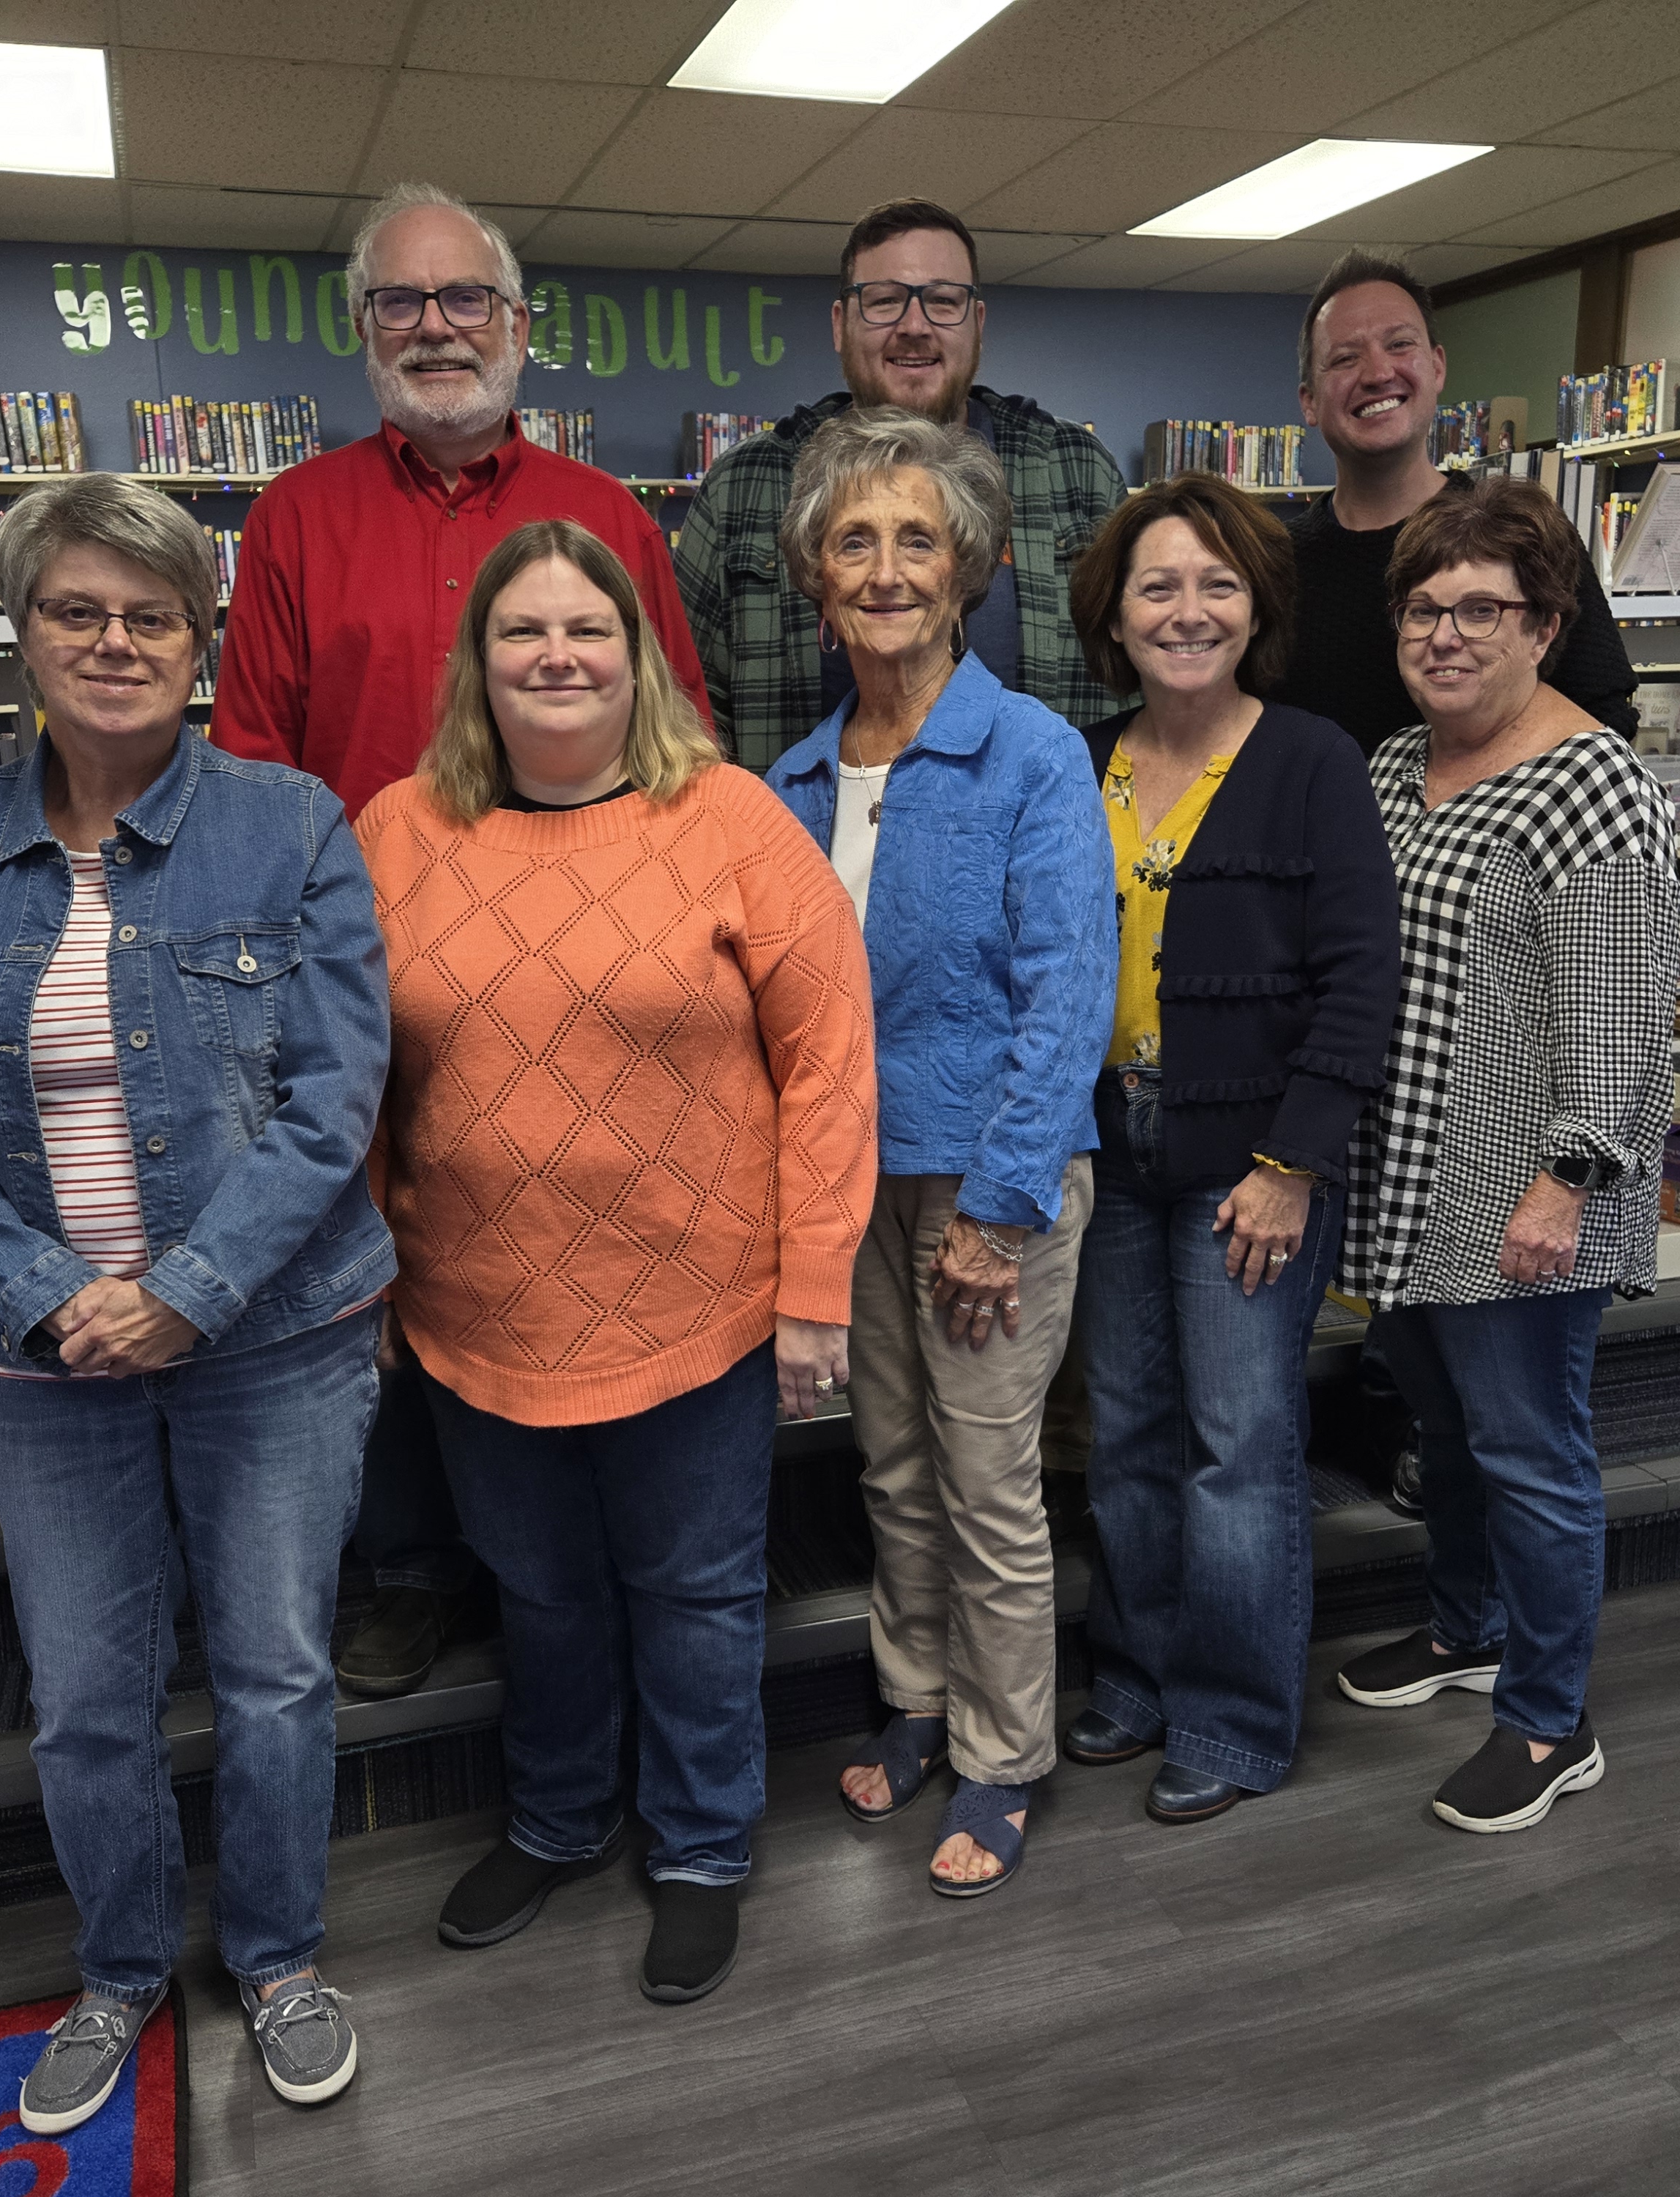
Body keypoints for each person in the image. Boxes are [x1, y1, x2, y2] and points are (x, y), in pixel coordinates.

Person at [0, 475, 392, 2129]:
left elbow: (334, 1090)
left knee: (275, 1669)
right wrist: (45, 1291)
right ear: (22, 634)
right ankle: (120, 1968)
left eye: (149, 615)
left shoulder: (289, 821)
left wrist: (189, 1288)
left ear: (197, 642)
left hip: (275, 1341)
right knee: (83, 1690)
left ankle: (283, 1957)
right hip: (46, 1357)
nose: (113, 642)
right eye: (76, 611)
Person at [357, 519, 876, 2004]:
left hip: (694, 1302)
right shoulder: (397, 830)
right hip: (473, 1301)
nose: (556, 655)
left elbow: (830, 1062)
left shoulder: (726, 820)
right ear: (479, 665)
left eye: (587, 628)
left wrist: (812, 1291)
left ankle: (703, 1846)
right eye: (521, 632)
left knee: (695, 1592)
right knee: (538, 1591)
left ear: (637, 655)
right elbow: (344, 1077)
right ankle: (555, 1819)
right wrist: (370, 1277)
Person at [211, 180, 710, 1704]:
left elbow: (676, 737)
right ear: (362, 329)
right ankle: (417, 1568)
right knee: (374, 1256)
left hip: (583, 965)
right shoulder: (297, 515)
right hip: (365, 966)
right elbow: (247, 760)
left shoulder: (606, 517)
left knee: (555, 1241)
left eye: (463, 301)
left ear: (517, 327)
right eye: (401, 304)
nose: (435, 329)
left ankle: (562, 1557)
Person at [764, 409, 1114, 1897]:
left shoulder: (1030, 752)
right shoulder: (786, 780)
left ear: (967, 568)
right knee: (891, 1468)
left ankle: (1002, 1752)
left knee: (983, 1475)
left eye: (917, 540)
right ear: (811, 575)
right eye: (856, 540)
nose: (887, 568)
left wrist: (998, 1207)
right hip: (854, 1180)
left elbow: (1068, 994)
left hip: (994, 1180)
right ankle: (914, 1700)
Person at [1333, 475, 1679, 1837]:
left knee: (1533, 1449)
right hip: (1409, 1173)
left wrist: (1566, 1182)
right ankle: (1465, 1629)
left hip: (1523, 1182)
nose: (1447, 634)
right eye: (1425, 607)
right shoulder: (1389, 763)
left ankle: (1549, 1720)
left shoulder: (1592, 784)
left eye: (1483, 608)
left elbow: (1623, 1017)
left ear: (1546, 625)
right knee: (1445, 1428)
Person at [1059, 473, 1400, 1826]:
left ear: (1256, 606)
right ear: (1115, 613)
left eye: (1216, 584)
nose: (1187, 610)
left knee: (1238, 1445)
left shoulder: (1312, 758)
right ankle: (1138, 1676)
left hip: (1251, 1163)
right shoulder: (1081, 757)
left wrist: (1292, 1163)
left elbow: (1362, 975)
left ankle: (1238, 1716)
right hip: (1109, 1152)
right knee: (1127, 1437)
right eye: (1158, 585)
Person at [675, 197, 1126, 771]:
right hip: (792, 847)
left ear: (977, 325)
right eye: (884, 301)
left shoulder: (1075, 472)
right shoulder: (747, 485)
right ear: (842, 325)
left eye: (943, 302)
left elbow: (1137, 684)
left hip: (1037, 845)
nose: (914, 326)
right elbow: (683, 710)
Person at [1279, 250, 1640, 757]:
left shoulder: (1519, 533)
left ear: (1437, 366)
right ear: (1309, 401)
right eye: (1345, 358)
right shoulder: (1275, 565)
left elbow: (1602, 720)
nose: (1378, 372)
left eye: (1400, 344)